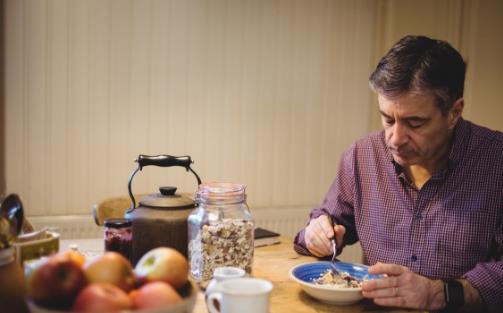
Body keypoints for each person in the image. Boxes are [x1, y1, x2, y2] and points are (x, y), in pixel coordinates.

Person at [293, 35, 502, 313]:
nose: (395, 138)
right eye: (388, 119)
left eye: (415, 123)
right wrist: (316, 234)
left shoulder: (495, 162)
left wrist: (440, 293)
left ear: (454, 112)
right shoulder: (362, 157)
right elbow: (326, 223)